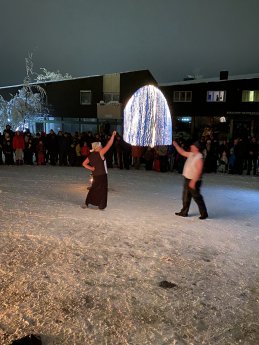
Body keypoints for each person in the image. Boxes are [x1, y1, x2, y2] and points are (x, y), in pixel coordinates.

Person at [172, 140, 208, 220]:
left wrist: (193, 181)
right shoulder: (192, 154)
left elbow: (199, 170)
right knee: (185, 196)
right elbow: (182, 152)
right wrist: (176, 145)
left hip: (194, 181)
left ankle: (204, 213)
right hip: (187, 178)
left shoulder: (199, 157)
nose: (191, 147)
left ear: (196, 148)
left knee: (197, 197)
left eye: (192, 146)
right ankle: (184, 212)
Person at [81, 131, 117, 210]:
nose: (101, 146)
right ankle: (101, 205)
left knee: (93, 189)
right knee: (103, 190)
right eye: (100, 146)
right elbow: (109, 145)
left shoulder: (91, 155)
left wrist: (91, 168)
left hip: (95, 175)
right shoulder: (100, 152)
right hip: (102, 175)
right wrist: (113, 135)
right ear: (97, 148)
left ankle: (87, 203)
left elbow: (84, 164)